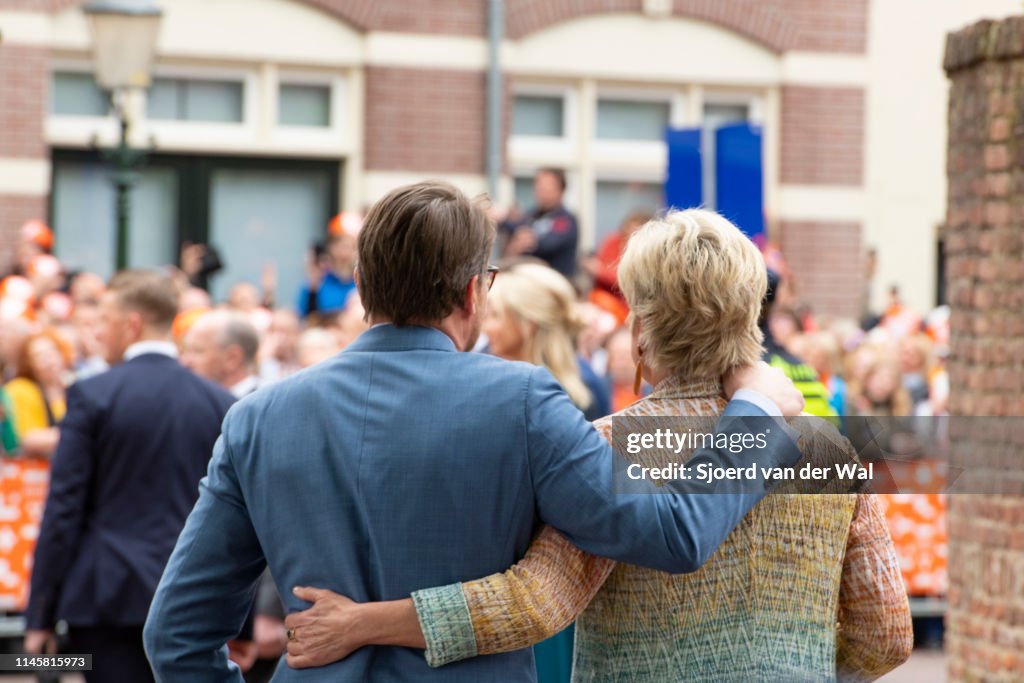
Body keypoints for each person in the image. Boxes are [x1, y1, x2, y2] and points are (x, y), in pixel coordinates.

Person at [144, 181, 805, 682]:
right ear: (472, 293)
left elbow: (175, 631)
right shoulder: (520, 399)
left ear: (365, 290)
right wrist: (757, 413)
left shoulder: (259, 416)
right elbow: (675, 534)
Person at [285, 210, 913, 681]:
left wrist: (365, 622)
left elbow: (535, 601)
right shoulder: (827, 450)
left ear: (640, 328)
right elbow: (887, 632)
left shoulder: (616, 444)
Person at [24, 270, 241, 683]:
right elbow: (239, 515)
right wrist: (243, 623)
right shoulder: (218, 402)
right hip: (194, 597)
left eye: (103, 322)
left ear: (132, 323)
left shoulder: (94, 395)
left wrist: (41, 614)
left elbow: (64, 508)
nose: (97, 335)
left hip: (108, 597)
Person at [483, 262, 609, 422]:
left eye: (495, 315)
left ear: (528, 324)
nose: (486, 327)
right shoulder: (486, 375)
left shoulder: (583, 387)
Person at [4, 328, 71, 459]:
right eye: (39, 356)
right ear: (28, 362)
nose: (48, 361)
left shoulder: (71, 387)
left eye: (52, 352)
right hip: (29, 472)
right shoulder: (21, 389)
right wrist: (77, 434)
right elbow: (27, 438)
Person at [502, 168, 579, 279]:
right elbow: (514, 229)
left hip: (558, 287)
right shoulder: (530, 217)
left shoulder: (566, 220)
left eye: (547, 185)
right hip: (529, 283)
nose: (540, 189)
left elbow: (547, 244)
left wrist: (527, 239)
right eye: (538, 184)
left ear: (561, 190)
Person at [182, 309, 261, 398]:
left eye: (197, 351)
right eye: (186, 350)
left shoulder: (263, 407)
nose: (185, 362)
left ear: (232, 358)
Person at [296, 218, 358, 318]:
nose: (344, 250)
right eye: (339, 243)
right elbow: (303, 318)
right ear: (331, 246)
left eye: (349, 245)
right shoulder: (316, 282)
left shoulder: (363, 285)